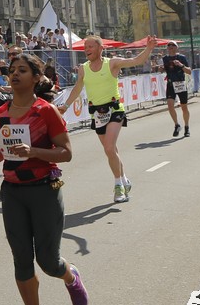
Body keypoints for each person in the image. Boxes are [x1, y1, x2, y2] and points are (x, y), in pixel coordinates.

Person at [0, 53, 86, 305]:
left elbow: (66, 153)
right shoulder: (0, 113)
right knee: (22, 259)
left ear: (36, 78)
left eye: (22, 70)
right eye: (12, 70)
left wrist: (34, 152)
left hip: (44, 190)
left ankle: (70, 276)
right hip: (12, 192)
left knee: (48, 262)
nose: (14, 74)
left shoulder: (46, 111)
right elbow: (3, 148)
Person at [58, 33, 158, 204]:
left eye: (90, 46)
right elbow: (77, 88)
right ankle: (124, 179)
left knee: (110, 148)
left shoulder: (112, 63)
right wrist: (65, 106)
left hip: (114, 110)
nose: (86, 49)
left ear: (100, 48)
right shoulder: (83, 68)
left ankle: (118, 186)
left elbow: (136, 61)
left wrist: (148, 48)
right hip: (97, 113)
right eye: (85, 47)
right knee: (111, 151)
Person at [161, 41, 192, 137]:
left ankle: (186, 127)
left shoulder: (181, 57)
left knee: (184, 107)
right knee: (170, 106)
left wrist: (181, 65)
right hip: (170, 84)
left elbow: (189, 71)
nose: (170, 47)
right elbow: (162, 69)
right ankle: (176, 125)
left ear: (176, 47)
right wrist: (160, 68)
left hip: (180, 84)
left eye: (173, 45)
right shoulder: (165, 59)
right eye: (169, 45)